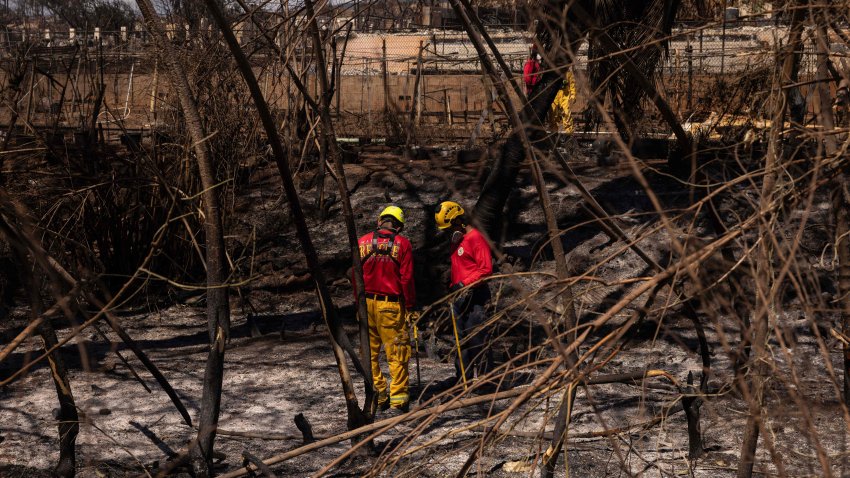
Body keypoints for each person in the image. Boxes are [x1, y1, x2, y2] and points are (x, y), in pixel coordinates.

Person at [356, 205, 416, 413]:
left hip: (366, 306)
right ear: (398, 226)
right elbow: (406, 278)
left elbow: (355, 276)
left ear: (379, 221)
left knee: (369, 354)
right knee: (397, 351)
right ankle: (398, 399)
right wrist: (410, 305)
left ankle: (379, 394)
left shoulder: (362, 242)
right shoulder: (403, 244)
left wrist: (358, 303)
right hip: (390, 305)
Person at [434, 201, 493, 384]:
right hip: (458, 297)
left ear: (459, 220)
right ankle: (463, 380)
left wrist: (464, 284)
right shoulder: (456, 241)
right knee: (461, 342)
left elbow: (486, 270)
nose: (447, 231)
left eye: (449, 226)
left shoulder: (475, 238)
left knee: (478, 339)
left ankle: (485, 380)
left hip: (475, 296)